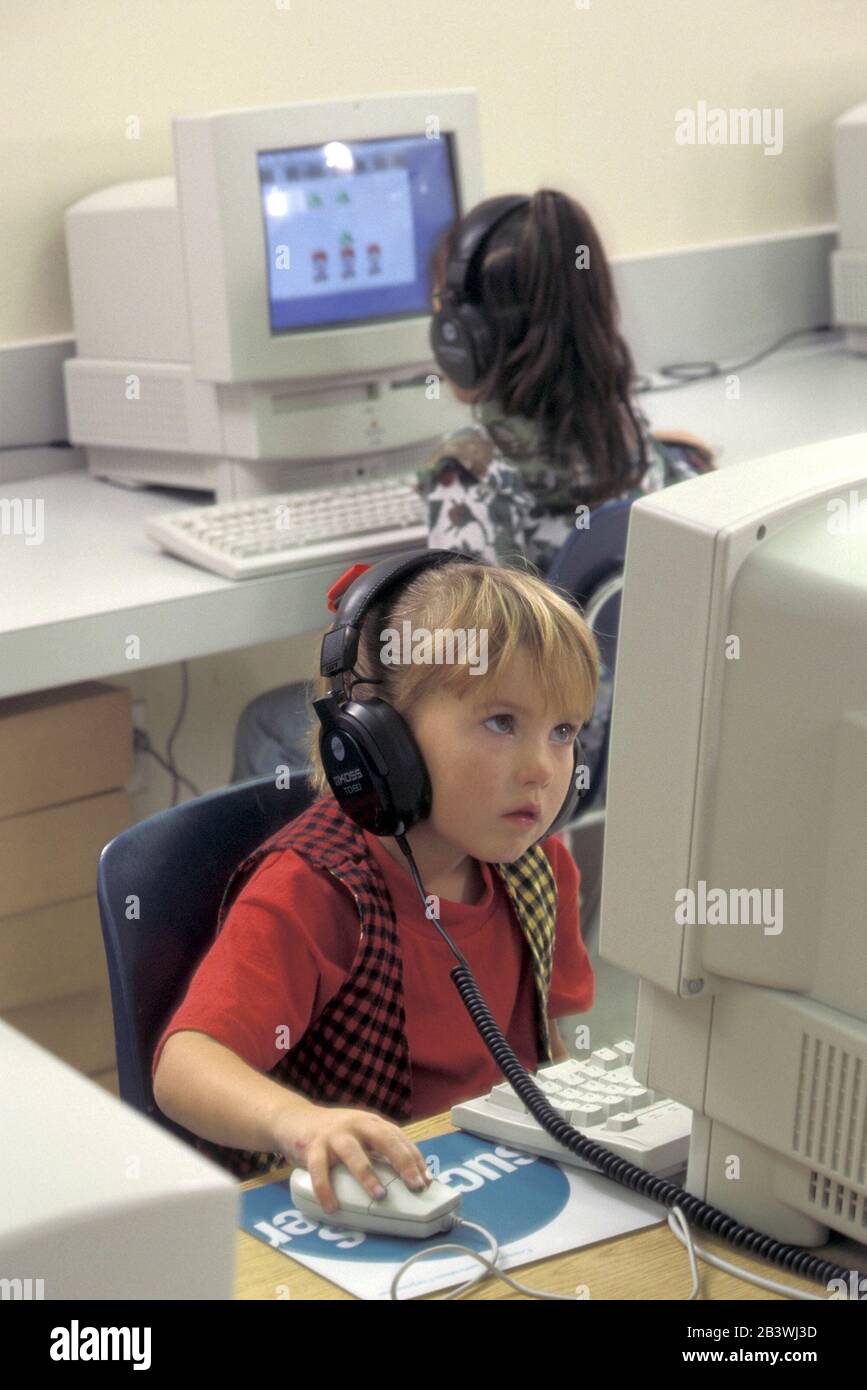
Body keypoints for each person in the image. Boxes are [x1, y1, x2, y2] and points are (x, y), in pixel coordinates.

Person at [229, 188, 715, 794]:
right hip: (607, 750)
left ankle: (333, 888)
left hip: (517, 766)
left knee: (265, 723)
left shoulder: (470, 468)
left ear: (465, 336)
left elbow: (463, 664)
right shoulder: (635, 441)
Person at [153, 557, 600, 1213]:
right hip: (354, 1214)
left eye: (562, 732)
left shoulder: (541, 869)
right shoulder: (316, 890)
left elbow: (544, 1051)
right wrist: (301, 1124)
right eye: (501, 722)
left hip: (498, 1187)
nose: (541, 768)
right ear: (376, 736)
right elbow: (184, 1067)